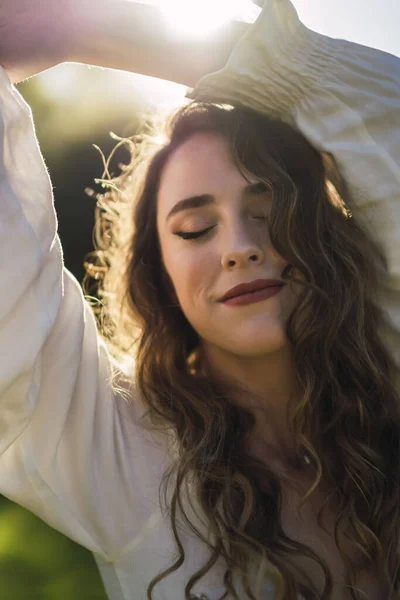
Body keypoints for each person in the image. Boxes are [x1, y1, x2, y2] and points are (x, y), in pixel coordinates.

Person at [0, 0, 399, 599]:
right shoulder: (118, 451)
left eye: (269, 212)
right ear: (158, 275)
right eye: (194, 229)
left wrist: (83, 29)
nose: (239, 248)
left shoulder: (389, 388)